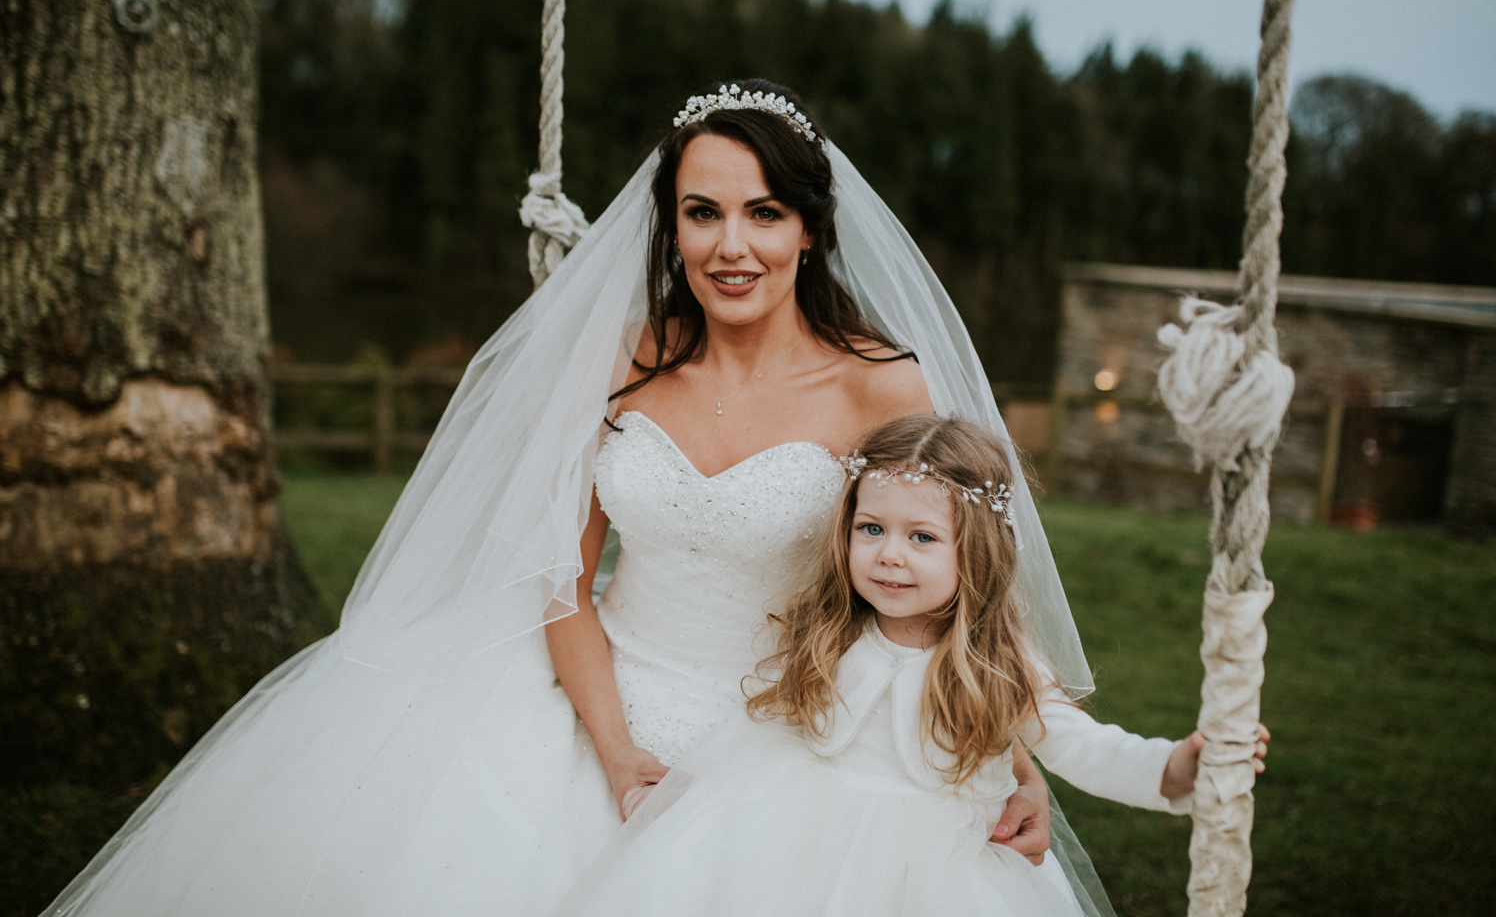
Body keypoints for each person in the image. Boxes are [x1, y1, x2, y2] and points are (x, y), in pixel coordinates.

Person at [46, 82, 1089, 916]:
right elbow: (559, 568)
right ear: (670, 225)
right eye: (704, 212)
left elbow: (959, 584)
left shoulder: (882, 383)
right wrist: (618, 750)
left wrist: (1006, 763)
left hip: (794, 728)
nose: (733, 246)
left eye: (765, 213)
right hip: (596, 689)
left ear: (810, 228)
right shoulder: (621, 359)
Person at [557, 414, 1271, 917]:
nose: (889, 555)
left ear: (978, 551)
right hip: (787, 840)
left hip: (940, 871)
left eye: (922, 537)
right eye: (871, 529)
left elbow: (1076, 744)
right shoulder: (829, 629)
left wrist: (1172, 770)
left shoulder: (998, 664)